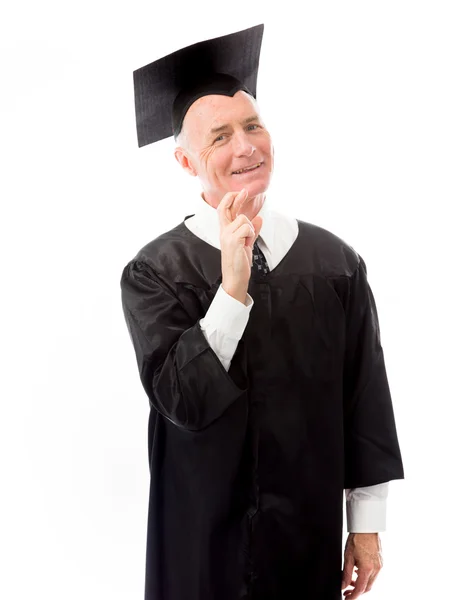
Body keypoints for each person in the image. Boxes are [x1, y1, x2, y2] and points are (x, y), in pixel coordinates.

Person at [120, 24, 404, 600]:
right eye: (219, 136)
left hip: (304, 535)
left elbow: (364, 399)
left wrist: (366, 528)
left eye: (254, 126)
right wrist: (231, 289)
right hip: (200, 539)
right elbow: (182, 402)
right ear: (184, 162)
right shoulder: (155, 271)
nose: (245, 146)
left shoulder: (335, 263)